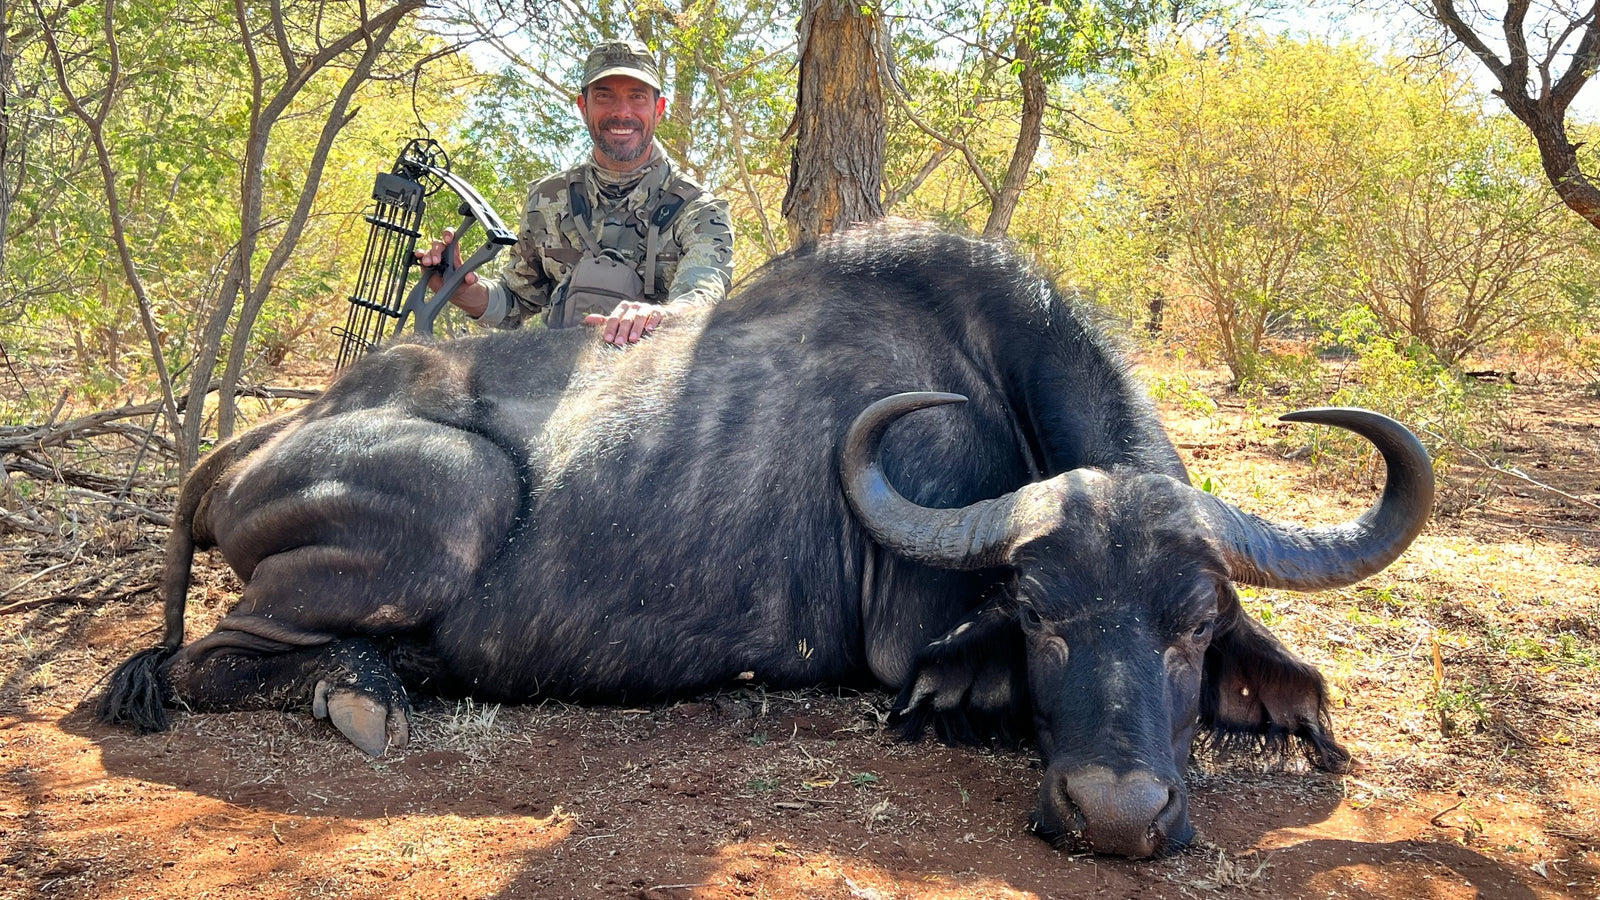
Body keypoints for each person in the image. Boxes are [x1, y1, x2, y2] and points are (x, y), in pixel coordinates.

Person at [418, 40, 734, 346]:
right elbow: (516, 302)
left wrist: (660, 315)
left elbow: (702, 295)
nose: (621, 112)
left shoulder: (699, 210)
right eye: (605, 96)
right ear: (583, 107)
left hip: (653, 384)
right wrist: (456, 289)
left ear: (659, 109)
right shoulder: (547, 199)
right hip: (554, 383)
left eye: (637, 97)